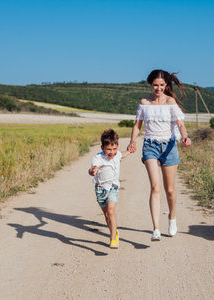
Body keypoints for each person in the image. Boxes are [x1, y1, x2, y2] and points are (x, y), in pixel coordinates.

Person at [127, 69, 191, 241]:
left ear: (166, 85)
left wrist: (185, 137)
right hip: (150, 146)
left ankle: (172, 217)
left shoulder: (171, 102)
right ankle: (155, 228)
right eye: (155, 85)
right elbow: (137, 125)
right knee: (155, 187)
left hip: (169, 146)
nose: (158, 88)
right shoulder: (144, 103)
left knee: (169, 189)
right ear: (150, 84)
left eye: (162, 85)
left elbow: (180, 124)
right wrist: (133, 141)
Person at [88, 129, 130, 249]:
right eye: (109, 150)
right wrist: (92, 171)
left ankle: (113, 239)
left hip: (113, 187)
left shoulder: (117, 155)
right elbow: (91, 170)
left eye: (114, 149)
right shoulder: (98, 158)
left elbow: (123, 154)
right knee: (106, 215)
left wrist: (129, 151)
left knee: (111, 210)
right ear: (102, 148)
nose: (112, 152)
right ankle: (114, 231)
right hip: (100, 189)